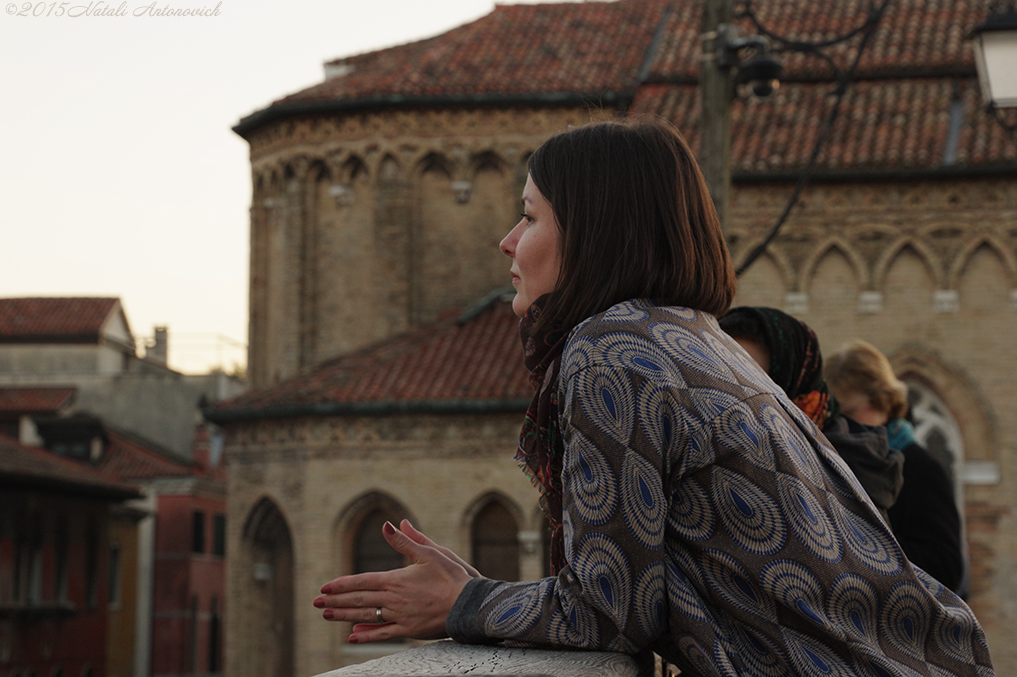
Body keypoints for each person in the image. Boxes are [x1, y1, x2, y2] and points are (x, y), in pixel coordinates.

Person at [313, 119, 993, 675]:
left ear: (592, 235)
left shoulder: (611, 352)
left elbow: (608, 611)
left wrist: (466, 601)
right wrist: (485, 592)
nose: (508, 241)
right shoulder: (692, 337)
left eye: (529, 216)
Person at [717, 307, 904, 524]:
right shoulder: (698, 447)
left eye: (757, 385)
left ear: (795, 387)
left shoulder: (852, 468)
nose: (739, 399)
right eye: (726, 377)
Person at [824, 339, 967, 595]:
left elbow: (946, 567)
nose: (841, 425)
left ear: (883, 402)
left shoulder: (919, 468)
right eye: (833, 417)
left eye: (849, 413)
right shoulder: (832, 460)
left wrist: (865, 542)